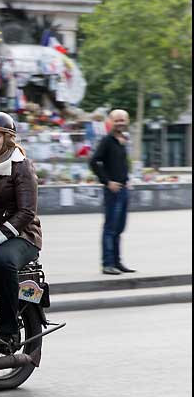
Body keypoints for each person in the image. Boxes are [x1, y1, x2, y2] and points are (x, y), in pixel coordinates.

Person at [0, 112, 42, 350]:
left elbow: (27, 213)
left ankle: (9, 329)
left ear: (8, 139)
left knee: (2, 263)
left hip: (23, 236)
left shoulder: (21, 166)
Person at [89, 109, 135, 275]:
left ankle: (117, 262)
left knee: (119, 228)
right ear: (111, 122)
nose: (120, 123)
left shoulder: (122, 140)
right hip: (113, 192)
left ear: (127, 121)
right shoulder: (107, 141)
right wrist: (107, 182)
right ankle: (107, 264)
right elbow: (94, 162)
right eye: (117, 120)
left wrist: (126, 178)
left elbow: (121, 163)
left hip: (123, 190)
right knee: (110, 228)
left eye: (123, 120)